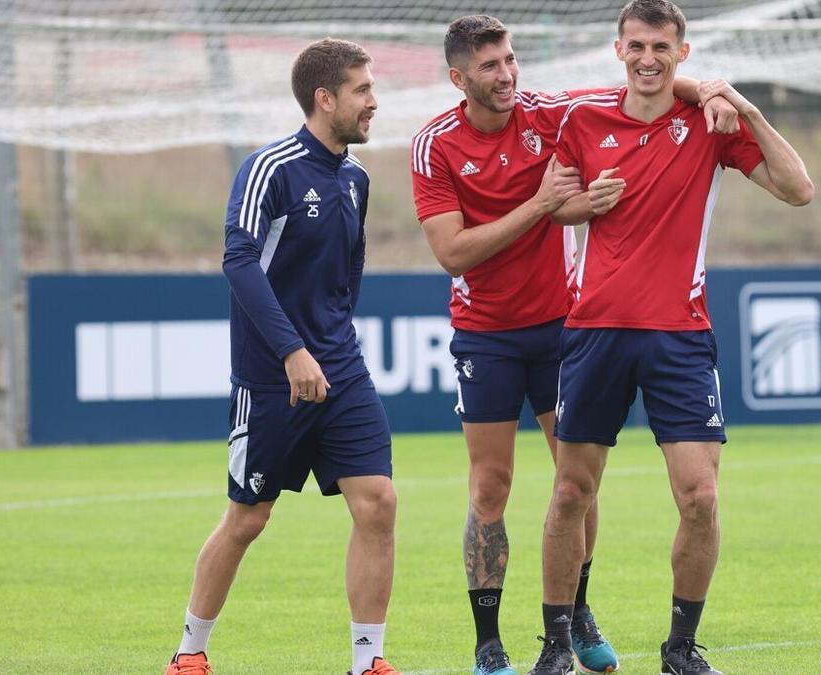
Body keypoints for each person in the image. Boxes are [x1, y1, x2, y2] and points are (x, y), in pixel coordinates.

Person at [411, 14, 742, 675]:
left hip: (566, 327)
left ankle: (575, 613)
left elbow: (646, 83)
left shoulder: (551, 115)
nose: (506, 75)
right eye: (489, 66)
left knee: (576, 486)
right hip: (487, 333)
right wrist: (541, 204)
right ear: (458, 78)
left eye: (510, 60)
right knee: (490, 487)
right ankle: (488, 643)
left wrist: (709, 89)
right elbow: (452, 252)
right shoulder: (434, 146)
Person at [527, 1, 814, 674]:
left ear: (682, 52)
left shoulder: (713, 123)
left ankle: (681, 648)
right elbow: (554, 202)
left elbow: (799, 189)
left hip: (679, 336)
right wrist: (583, 204)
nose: (647, 58)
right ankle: (555, 644)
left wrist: (738, 102)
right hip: (594, 331)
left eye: (661, 46)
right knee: (571, 492)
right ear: (618, 49)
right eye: (636, 45)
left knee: (700, 498)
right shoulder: (582, 117)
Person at [165, 38, 400, 675]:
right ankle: (189, 653)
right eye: (362, 90)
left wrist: (330, 347)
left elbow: (346, 277)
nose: (374, 102)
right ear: (325, 99)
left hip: (342, 371)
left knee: (378, 501)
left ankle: (368, 661)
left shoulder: (356, 178)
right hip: (274, 378)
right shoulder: (270, 167)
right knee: (248, 518)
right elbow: (238, 262)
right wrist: (294, 351)